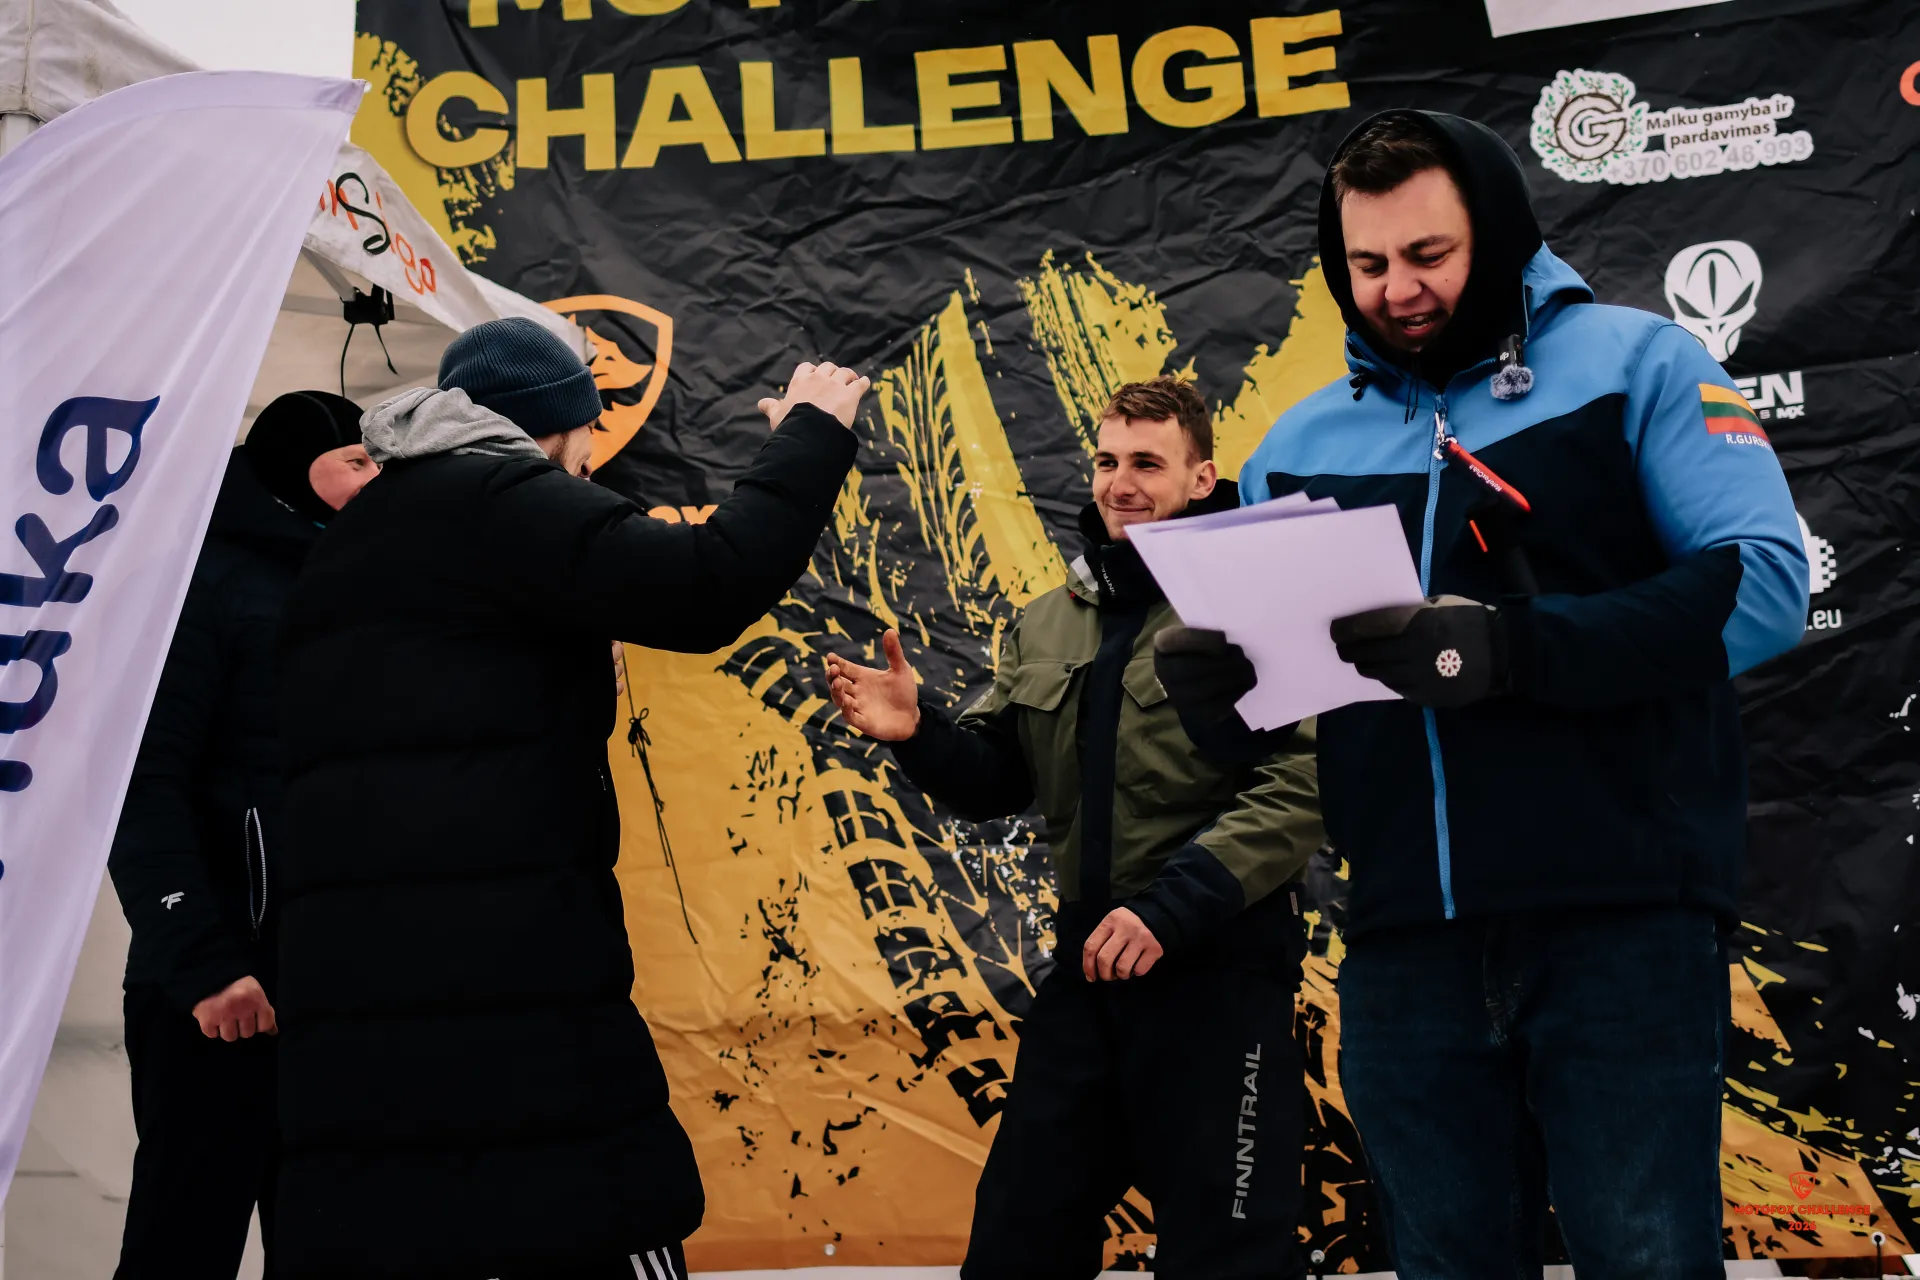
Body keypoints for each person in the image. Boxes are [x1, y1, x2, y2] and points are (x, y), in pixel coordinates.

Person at [1154, 111, 1810, 1278]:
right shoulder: (1295, 443)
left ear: (1498, 233)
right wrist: (1221, 695)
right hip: (1404, 940)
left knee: (1647, 1257)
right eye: (1367, 264)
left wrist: (1511, 647)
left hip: (1621, 918)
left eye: (1429, 254)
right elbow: (1287, 712)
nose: (1396, 289)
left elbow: (1762, 586)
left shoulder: (1643, 365)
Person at [272, 317, 867, 1280]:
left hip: (364, 1016)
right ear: (554, 425)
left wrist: (561, 671)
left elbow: (438, 709)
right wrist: (811, 435)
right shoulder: (500, 495)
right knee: (586, 1221)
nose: (592, 458)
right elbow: (709, 585)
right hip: (508, 1002)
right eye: (589, 432)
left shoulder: (358, 540)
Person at [827, 376, 1323, 1280]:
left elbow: (1298, 784)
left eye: (1147, 464)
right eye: (1106, 461)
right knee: (1017, 1245)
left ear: (1202, 478)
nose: (1120, 483)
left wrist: (1169, 912)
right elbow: (999, 778)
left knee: (1229, 1260)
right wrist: (917, 731)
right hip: (1089, 978)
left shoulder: (1257, 608)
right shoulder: (1048, 620)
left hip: (1218, 981)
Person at [107, 390, 376, 1279]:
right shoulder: (196, 582)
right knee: (184, 1241)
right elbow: (140, 785)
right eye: (359, 461)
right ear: (298, 466)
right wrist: (204, 964)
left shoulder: (361, 580)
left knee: (333, 1244)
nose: (378, 480)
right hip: (218, 992)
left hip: (332, 991)